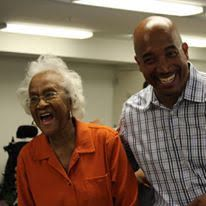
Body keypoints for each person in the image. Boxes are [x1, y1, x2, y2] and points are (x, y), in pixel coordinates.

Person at [16, 54, 138, 206]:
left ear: (70, 100)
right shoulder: (28, 157)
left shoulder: (105, 141)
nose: (40, 104)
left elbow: (128, 201)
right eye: (34, 98)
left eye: (49, 94)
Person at [118, 15, 206, 206]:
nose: (164, 67)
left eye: (171, 53)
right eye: (150, 59)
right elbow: (113, 170)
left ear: (185, 51)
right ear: (138, 63)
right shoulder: (132, 113)